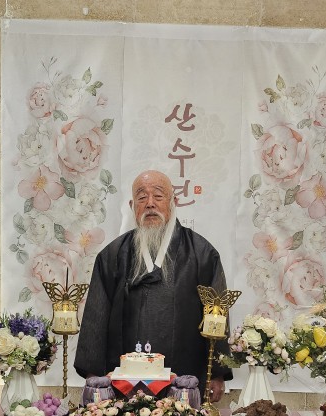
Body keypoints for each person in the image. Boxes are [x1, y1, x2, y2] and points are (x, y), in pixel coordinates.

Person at [74, 170, 231, 401]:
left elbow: (217, 312)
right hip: (123, 383)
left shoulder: (201, 254)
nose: (150, 204)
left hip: (184, 379)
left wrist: (216, 373)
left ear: (173, 202)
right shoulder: (113, 255)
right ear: (132, 206)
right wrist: (93, 374)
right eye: (141, 197)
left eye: (158, 196)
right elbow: (96, 315)